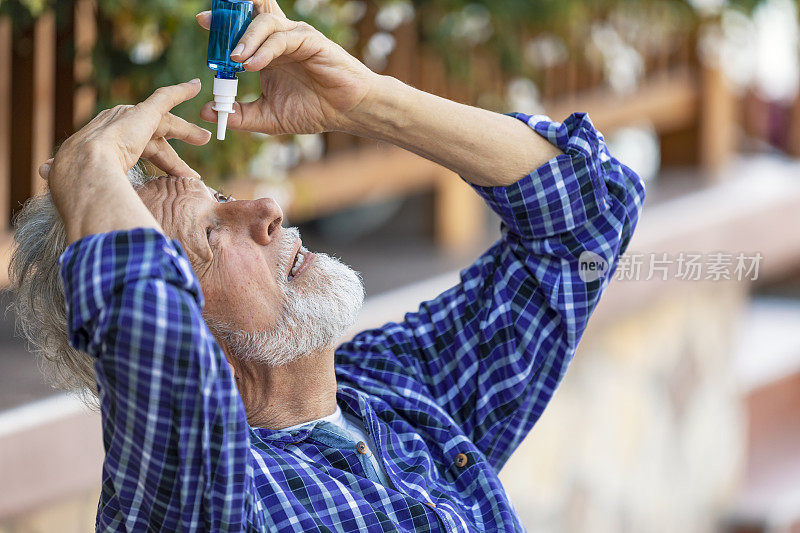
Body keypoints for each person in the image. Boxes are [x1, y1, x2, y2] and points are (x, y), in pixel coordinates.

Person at [9, 0, 646, 530]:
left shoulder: (396, 392)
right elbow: (156, 355)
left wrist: (366, 102)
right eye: (211, 231)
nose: (265, 210)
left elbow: (585, 221)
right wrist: (90, 172)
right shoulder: (198, 496)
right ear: (189, 328)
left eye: (224, 199)